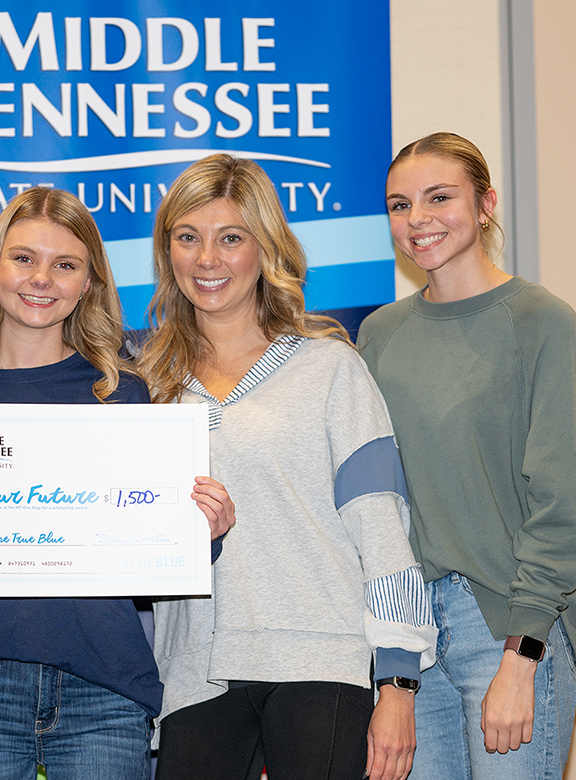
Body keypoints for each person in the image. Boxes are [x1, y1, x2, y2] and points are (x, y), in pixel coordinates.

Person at [138, 154, 437, 780]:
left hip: (320, 664)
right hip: (194, 675)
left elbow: (382, 533)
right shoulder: (147, 386)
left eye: (231, 238)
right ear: (167, 253)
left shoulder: (331, 370)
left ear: (265, 248)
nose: (208, 259)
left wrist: (399, 683)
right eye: (187, 238)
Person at [0, 186, 236, 780]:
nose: (41, 278)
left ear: (89, 282)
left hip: (104, 686)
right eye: (23, 258)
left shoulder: (124, 391)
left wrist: (206, 530)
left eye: (65, 265)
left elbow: (154, 551)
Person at [356, 132, 576, 780]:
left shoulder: (539, 320)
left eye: (439, 197)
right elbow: (374, 501)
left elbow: (561, 500)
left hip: (503, 624)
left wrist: (523, 657)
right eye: (399, 204)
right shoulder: (381, 333)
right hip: (409, 639)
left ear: (486, 204)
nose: (417, 219)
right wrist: (392, 667)